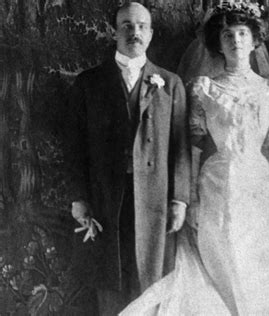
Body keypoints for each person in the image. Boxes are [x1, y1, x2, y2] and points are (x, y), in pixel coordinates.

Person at [120, 2, 269, 315]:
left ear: (254, 40)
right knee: (222, 254)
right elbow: (195, 146)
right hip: (216, 183)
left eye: (242, 33)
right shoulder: (204, 89)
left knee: (256, 260)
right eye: (228, 35)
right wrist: (194, 200)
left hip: (258, 184)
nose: (236, 41)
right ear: (219, 43)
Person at [66, 2, 191, 315]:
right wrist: (79, 198)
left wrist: (180, 200)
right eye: (126, 25)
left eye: (140, 26)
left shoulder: (170, 83)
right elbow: (75, 147)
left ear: (150, 34)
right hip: (108, 199)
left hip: (155, 201)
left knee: (152, 280)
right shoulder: (89, 83)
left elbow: (181, 146)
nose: (133, 32)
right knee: (111, 279)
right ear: (114, 31)